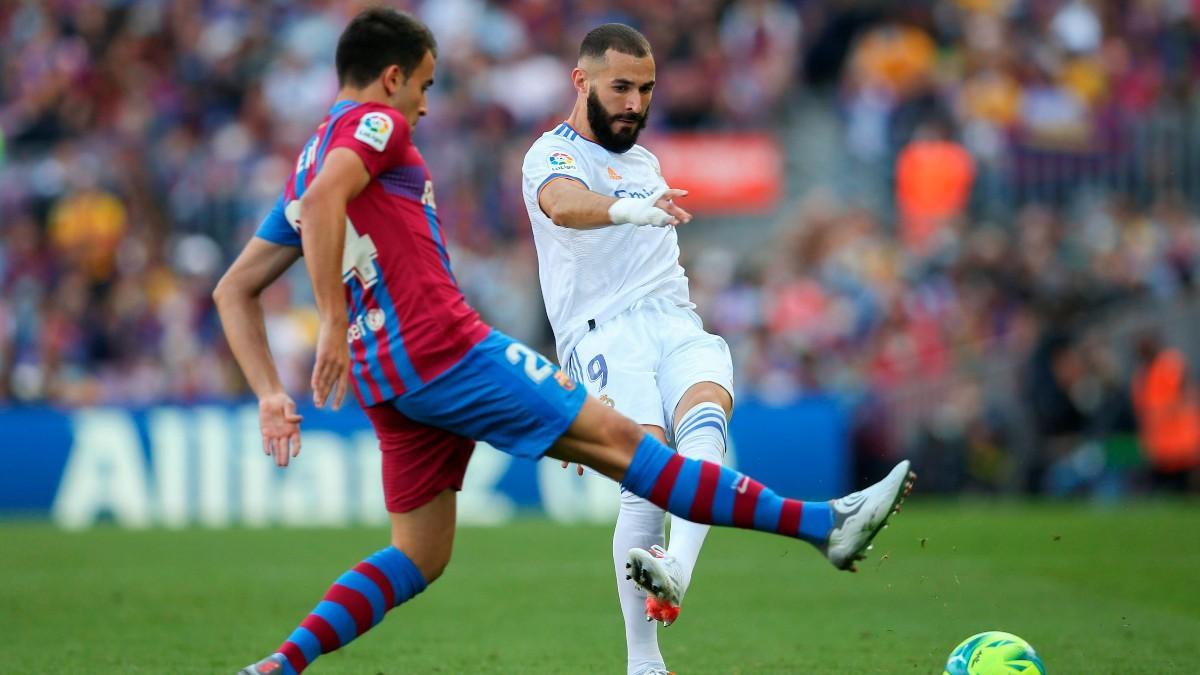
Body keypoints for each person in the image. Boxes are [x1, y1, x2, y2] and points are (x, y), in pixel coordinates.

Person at [213, 9, 914, 675]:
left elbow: (233, 288)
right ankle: (825, 522)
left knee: (419, 553)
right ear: (393, 76)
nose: (425, 107)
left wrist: (271, 390)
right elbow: (336, 195)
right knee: (633, 453)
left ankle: (282, 662)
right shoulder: (374, 123)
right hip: (444, 348)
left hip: (387, 378)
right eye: (425, 85)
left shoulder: (304, 163)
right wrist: (330, 322)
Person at [517, 23, 730, 675]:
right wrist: (626, 211)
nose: (635, 102)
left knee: (707, 423)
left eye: (645, 88)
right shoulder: (550, 154)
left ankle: (676, 571)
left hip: (674, 318)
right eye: (621, 87)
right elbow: (563, 204)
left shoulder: (644, 163)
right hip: (603, 331)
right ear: (581, 82)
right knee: (649, 473)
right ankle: (645, 662)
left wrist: (638, 207)